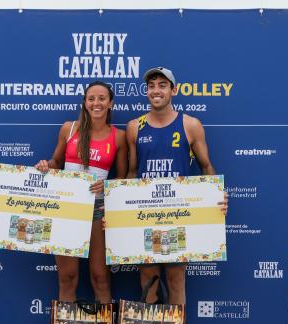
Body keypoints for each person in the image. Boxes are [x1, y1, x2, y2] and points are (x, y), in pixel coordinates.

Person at [126, 67, 228, 304]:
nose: (156, 90)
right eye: (151, 86)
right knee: (148, 280)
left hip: (178, 215)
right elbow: (131, 174)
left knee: (175, 279)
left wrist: (218, 196)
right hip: (144, 215)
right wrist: (121, 213)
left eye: (162, 85)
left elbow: (206, 167)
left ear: (173, 90)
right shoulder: (134, 127)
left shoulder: (190, 125)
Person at [35, 80, 127, 303]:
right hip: (67, 208)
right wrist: (46, 165)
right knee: (67, 276)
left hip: (97, 209)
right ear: (85, 103)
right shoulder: (70, 128)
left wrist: (108, 186)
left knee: (100, 277)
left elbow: (124, 179)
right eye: (91, 98)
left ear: (110, 103)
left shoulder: (119, 136)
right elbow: (56, 160)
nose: (96, 103)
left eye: (102, 98)